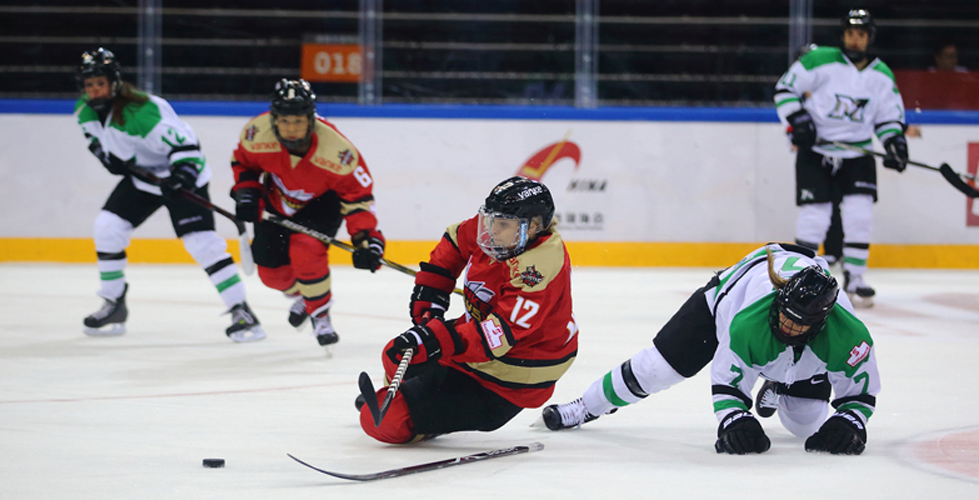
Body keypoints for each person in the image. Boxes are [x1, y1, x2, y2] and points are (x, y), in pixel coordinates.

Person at [542, 244, 880, 456]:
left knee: (806, 426)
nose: (787, 326)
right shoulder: (748, 321)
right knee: (655, 369)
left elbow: (861, 390)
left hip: (795, 350)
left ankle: (777, 380)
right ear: (779, 301)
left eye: (799, 324)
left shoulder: (847, 333)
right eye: (784, 316)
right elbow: (727, 382)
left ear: (822, 320)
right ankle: (584, 407)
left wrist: (851, 421)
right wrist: (734, 419)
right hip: (720, 302)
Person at [359, 177, 578, 444]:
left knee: (385, 421)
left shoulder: (537, 269)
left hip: (515, 372)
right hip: (481, 350)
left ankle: (417, 416)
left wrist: (437, 340)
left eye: (502, 224)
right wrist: (431, 296)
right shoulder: (505, 228)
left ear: (532, 227)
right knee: (397, 354)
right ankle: (410, 403)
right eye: (490, 220)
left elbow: (498, 335)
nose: (491, 230)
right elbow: (455, 241)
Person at [76, 47, 263, 342]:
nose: (94, 90)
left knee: (201, 243)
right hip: (143, 178)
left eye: (100, 83)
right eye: (89, 85)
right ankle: (114, 304)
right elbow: (101, 147)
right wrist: (107, 156)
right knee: (107, 228)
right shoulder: (85, 112)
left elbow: (187, 147)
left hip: (181, 175)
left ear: (114, 82)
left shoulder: (141, 111)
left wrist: (182, 177)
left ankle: (242, 311)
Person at [230, 79, 385, 346]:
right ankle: (305, 296)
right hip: (276, 202)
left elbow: (358, 199)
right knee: (271, 275)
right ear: (274, 119)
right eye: (285, 121)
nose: (291, 129)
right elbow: (244, 163)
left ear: (311, 120)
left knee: (306, 250)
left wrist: (366, 240)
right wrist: (246, 191)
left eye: (299, 121)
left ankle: (320, 314)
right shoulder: (257, 133)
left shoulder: (338, 152)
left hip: (322, 204)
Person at [773, 8, 909, 307]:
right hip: (817, 151)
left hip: (857, 154)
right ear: (842, 35)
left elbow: (889, 116)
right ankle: (801, 273)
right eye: (850, 33)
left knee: (860, 215)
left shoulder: (881, 74)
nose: (855, 39)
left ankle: (856, 277)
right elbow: (785, 89)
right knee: (815, 215)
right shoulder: (819, 60)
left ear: (869, 37)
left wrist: (894, 141)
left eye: (861, 34)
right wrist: (799, 118)